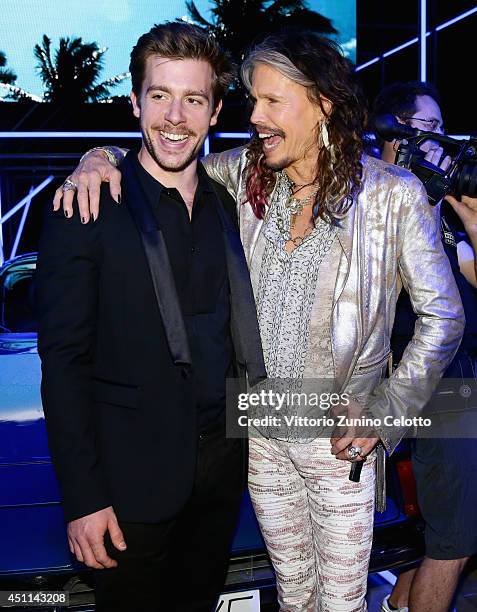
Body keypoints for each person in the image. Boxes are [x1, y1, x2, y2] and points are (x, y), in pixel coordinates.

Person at [54, 32, 464, 611]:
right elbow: (168, 153)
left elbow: (443, 318)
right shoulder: (249, 174)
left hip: (337, 438)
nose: (256, 116)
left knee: (341, 604)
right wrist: (99, 158)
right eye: (251, 101)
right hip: (262, 433)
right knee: (294, 599)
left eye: (272, 101)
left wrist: (386, 410)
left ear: (323, 103)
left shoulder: (392, 196)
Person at [36, 22, 266, 612]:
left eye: (193, 99)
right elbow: (63, 364)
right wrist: (83, 499)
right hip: (126, 491)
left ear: (215, 113)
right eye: (160, 95)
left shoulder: (232, 205)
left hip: (221, 481)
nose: (174, 117)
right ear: (135, 101)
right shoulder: (83, 208)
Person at [372, 81, 477, 612]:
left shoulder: (437, 208)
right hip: (433, 384)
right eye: (429, 129)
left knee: (433, 534)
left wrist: (472, 217)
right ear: (394, 131)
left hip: (459, 380)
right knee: (457, 538)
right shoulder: (371, 198)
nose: (441, 143)